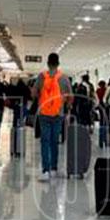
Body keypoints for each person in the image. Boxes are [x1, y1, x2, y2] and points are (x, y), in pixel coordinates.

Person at [32, 53, 72, 182]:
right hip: (58, 114)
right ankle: (54, 169)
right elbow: (70, 96)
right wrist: (67, 106)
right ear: (58, 64)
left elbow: (33, 93)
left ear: (48, 63)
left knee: (45, 141)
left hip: (43, 113)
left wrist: (40, 97)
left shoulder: (41, 76)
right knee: (55, 141)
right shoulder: (64, 78)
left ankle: (45, 171)